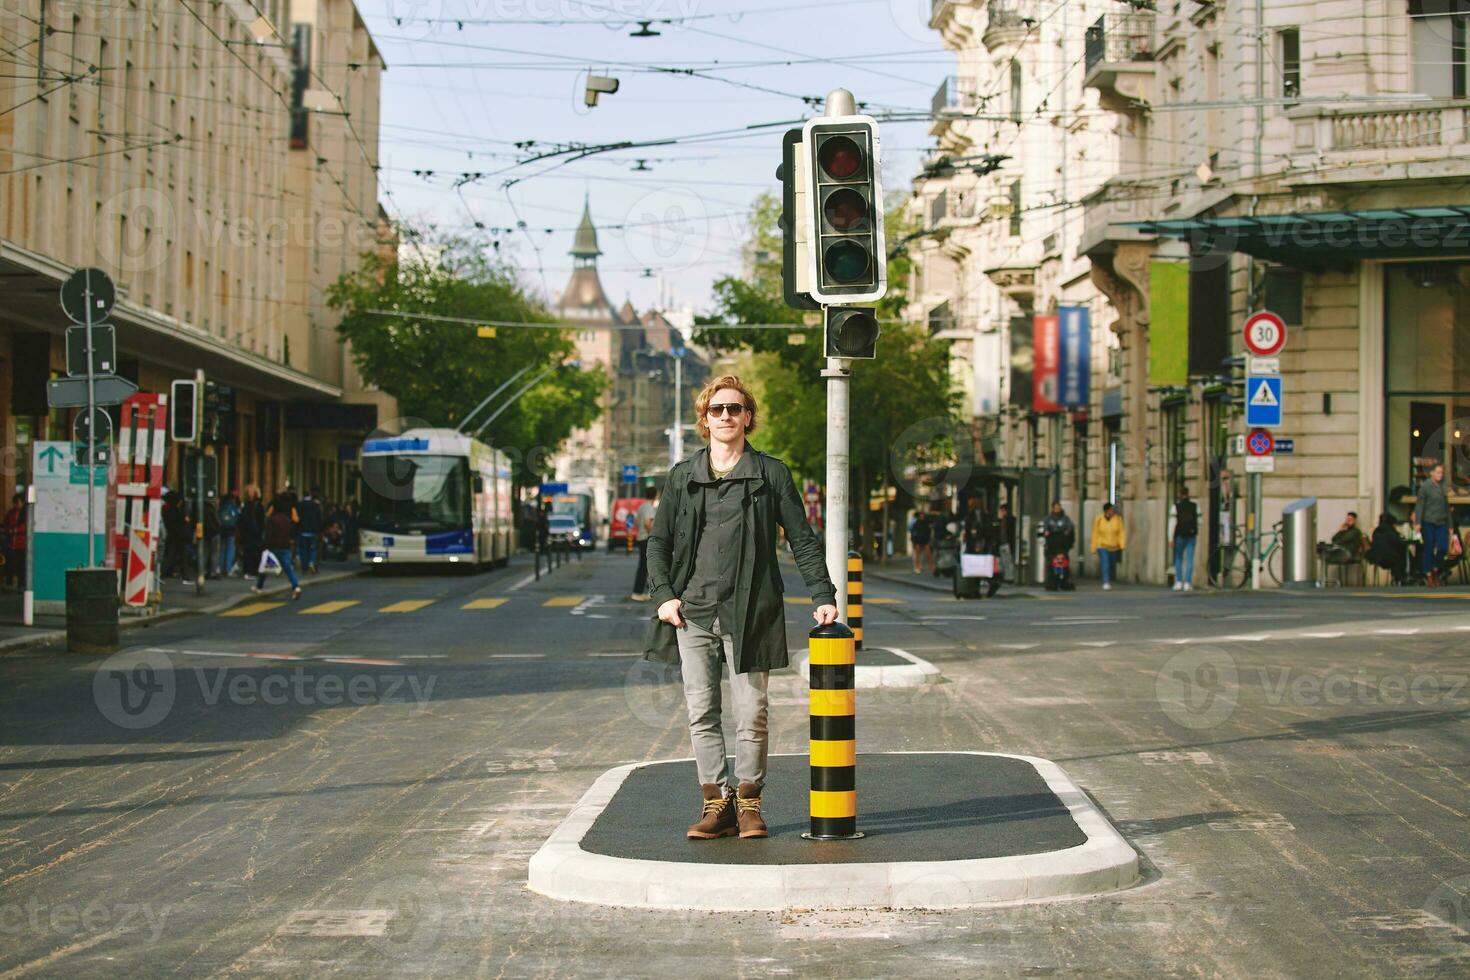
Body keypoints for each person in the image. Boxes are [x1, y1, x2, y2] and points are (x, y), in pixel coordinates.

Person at [643, 375, 837, 842]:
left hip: (751, 612)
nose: (726, 417)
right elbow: (659, 543)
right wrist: (664, 596)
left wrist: (823, 596)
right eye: (717, 410)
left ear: (748, 417)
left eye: (734, 409)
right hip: (693, 614)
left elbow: (803, 540)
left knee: (752, 713)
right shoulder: (682, 476)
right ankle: (717, 804)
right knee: (701, 713)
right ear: (704, 421)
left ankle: (749, 804)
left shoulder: (771, 474)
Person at [254, 494, 302, 599]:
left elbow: (269, 535)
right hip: (285, 547)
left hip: (273, 547)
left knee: (264, 568)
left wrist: (265, 546)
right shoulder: (287, 519)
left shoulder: (272, 520)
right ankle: (296, 586)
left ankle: (259, 587)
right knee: (288, 569)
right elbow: (292, 531)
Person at [1417, 461, 1451, 585]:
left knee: (1443, 547)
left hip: (1441, 521)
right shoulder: (1425, 486)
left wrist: (1450, 525)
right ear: (1431, 473)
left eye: (1441, 472)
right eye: (1437, 472)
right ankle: (1428, 573)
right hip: (1428, 521)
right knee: (1429, 546)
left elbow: (1447, 507)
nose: (1440, 475)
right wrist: (1418, 522)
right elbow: (1420, 505)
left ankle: (1436, 568)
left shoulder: (1443, 487)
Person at [630, 486, 659, 601]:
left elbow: (637, 523)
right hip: (647, 539)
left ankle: (643, 592)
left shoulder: (642, 507)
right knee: (647, 567)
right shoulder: (649, 508)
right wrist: (654, 535)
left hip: (641, 538)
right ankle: (638, 592)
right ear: (655, 495)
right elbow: (648, 523)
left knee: (645, 567)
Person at [1366, 513, 1408, 586]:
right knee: (1400, 556)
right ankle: (1399, 578)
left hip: (1376, 558)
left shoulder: (1376, 531)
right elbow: (1399, 543)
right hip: (1389, 558)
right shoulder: (1391, 531)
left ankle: (1398, 579)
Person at [1092, 501, 1126, 590]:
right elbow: (1095, 533)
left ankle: (1109, 577)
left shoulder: (1118, 519)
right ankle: (1106, 582)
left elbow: (1121, 532)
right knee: (1105, 562)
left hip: (1114, 546)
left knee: (1111, 563)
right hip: (1102, 545)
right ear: (1106, 511)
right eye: (1111, 510)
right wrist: (1093, 547)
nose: (1113, 512)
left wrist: (1122, 544)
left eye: (1113, 510)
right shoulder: (1099, 519)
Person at [1173, 487, 1199, 592]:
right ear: (1188, 494)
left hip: (1179, 535)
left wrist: (1170, 538)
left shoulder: (1176, 507)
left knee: (1178, 558)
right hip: (1191, 535)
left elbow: (1172, 523)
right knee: (1189, 559)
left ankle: (1179, 582)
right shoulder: (1195, 506)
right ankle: (1187, 583)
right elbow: (1200, 520)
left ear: (1180, 494)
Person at [238, 485, 266, 580]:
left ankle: (253, 571)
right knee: (248, 552)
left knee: (255, 552)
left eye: (251, 492)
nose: (249, 494)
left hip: (255, 533)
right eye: (248, 492)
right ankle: (248, 571)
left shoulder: (258, 505)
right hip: (248, 533)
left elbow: (261, 520)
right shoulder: (245, 505)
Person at [296, 487, 324, 574]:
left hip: (302, 530)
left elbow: (297, 519)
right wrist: (320, 530)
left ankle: (304, 567)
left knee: (303, 550)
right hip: (313, 531)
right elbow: (319, 519)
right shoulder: (315, 505)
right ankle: (311, 562)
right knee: (313, 548)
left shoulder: (299, 505)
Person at [2, 492, 25, 591]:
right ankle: (9, 583)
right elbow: (5, 524)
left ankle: (21, 584)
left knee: (21, 566)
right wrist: (8, 530)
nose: (16, 505)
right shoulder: (10, 513)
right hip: (11, 544)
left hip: (21, 544)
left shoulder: (25, 513)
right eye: (15, 503)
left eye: (18, 502)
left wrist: (15, 530)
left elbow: (25, 526)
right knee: (10, 564)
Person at [217, 490, 241, 576]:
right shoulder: (233, 507)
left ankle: (220, 567)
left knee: (222, 549)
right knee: (230, 549)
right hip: (231, 531)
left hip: (222, 530)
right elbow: (237, 518)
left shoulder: (222, 507)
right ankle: (228, 568)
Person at [996, 502, 1017, 583]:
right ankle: (1006, 577)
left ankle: (1009, 578)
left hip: (1007, 543)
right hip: (1003, 543)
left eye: (1002, 511)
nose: (1001, 512)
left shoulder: (1010, 520)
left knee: (1008, 561)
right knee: (1003, 561)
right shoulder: (1002, 520)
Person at [909, 507, 934, 574]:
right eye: (921, 515)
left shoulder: (926, 523)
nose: (922, 516)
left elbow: (929, 531)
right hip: (918, 540)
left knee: (928, 554)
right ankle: (917, 567)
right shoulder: (917, 523)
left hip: (925, 540)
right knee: (918, 555)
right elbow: (913, 531)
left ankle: (931, 567)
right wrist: (914, 540)